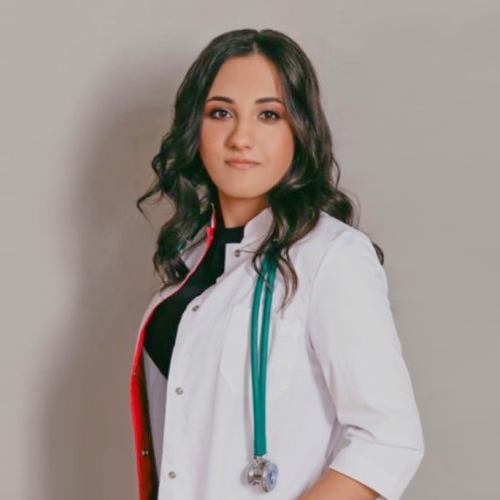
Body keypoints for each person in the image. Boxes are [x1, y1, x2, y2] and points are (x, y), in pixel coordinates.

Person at [130, 28, 424, 500]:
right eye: (221, 112)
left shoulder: (331, 256)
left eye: (269, 115)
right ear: (195, 129)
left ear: (299, 131)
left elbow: (388, 441)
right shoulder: (189, 262)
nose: (241, 138)